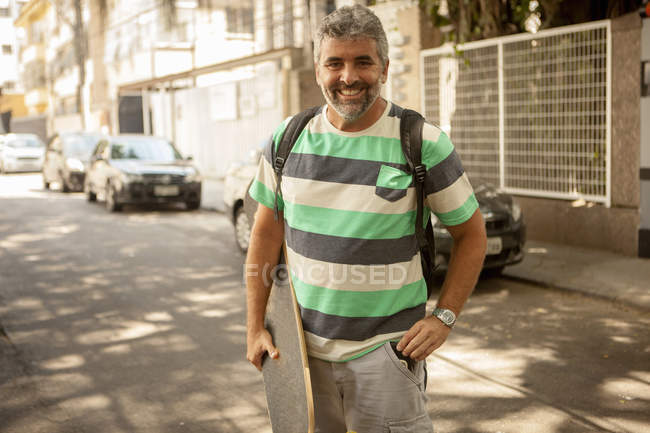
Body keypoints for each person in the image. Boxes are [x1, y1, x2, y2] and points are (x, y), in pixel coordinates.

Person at [246, 4, 487, 432]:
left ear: (385, 68)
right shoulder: (287, 140)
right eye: (334, 63)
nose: (348, 77)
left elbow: (472, 235)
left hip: (387, 357)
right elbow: (265, 233)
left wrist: (444, 317)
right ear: (319, 69)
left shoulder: (421, 142)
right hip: (302, 358)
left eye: (363, 62)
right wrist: (255, 327)